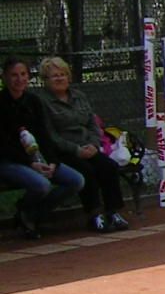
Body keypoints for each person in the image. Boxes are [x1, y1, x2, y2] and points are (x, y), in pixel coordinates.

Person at [36, 55, 129, 233]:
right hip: (64, 151)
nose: (59, 78)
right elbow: (50, 135)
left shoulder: (79, 97)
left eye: (62, 74)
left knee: (108, 166)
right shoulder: (42, 102)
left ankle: (113, 212)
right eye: (54, 76)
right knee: (86, 171)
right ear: (45, 80)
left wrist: (94, 144)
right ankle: (94, 215)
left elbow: (93, 124)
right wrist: (76, 150)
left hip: (89, 146)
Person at [0, 55, 84, 240]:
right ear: (4, 77)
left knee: (76, 181)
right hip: (9, 161)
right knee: (42, 185)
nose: (19, 79)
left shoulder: (33, 101)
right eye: (14, 75)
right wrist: (30, 164)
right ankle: (26, 213)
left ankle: (31, 214)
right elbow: (3, 146)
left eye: (23, 74)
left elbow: (44, 135)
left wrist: (52, 161)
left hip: (36, 157)